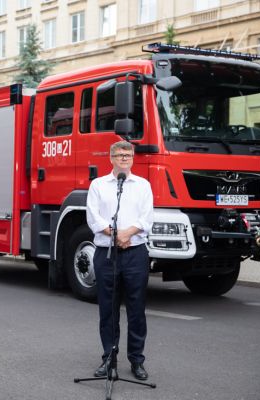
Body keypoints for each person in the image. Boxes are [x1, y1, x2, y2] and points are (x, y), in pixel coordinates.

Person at [86, 140, 153, 381]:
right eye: (120, 154)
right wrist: (114, 235)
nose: (125, 158)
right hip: (107, 255)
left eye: (128, 154)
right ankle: (108, 359)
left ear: (133, 158)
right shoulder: (98, 185)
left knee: (136, 310)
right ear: (111, 158)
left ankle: (137, 361)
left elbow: (147, 218)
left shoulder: (143, 185)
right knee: (108, 310)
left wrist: (126, 234)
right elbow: (93, 217)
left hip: (135, 253)